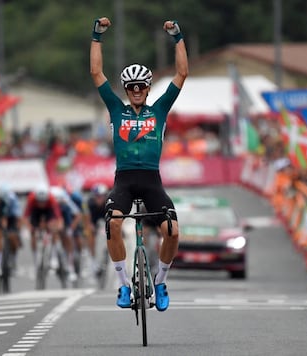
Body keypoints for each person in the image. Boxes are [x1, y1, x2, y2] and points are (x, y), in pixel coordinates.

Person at [90, 17, 188, 311]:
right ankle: (122, 284)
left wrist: (177, 37)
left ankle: (160, 281)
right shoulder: (116, 109)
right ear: (126, 89)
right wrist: (97, 35)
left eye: (141, 86)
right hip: (123, 180)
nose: (136, 90)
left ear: (147, 88)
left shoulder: (158, 110)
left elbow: (182, 73)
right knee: (113, 225)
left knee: (172, 231)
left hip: (151, 181)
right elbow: (96, 72)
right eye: (131, 86)